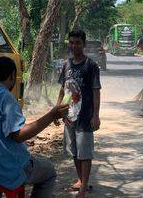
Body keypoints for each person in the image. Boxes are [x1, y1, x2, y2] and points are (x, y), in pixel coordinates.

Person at [0, 57, 69, 197]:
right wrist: (51, 115)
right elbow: (19, 135)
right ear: (12, 76)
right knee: (49, 172)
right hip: (3, 170)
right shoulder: (4, 97)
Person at [56, 29, 101, 197]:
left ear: (84, 44)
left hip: (85, 117)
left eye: (78, 43)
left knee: (85, 153)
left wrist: (96, 115)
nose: (74, 46)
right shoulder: (67, 64)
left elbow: (96, 91)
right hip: (69, 117)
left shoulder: (91, 66)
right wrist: (58, 109)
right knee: (74, 151)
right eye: (72, 42)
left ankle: (83, 187)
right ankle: (81, 180)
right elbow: (63, 89)